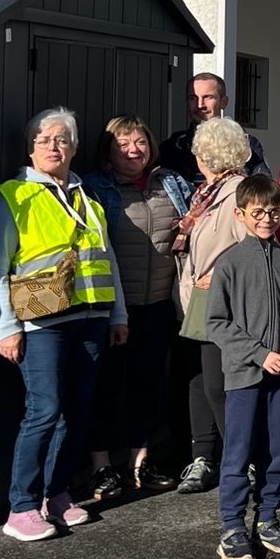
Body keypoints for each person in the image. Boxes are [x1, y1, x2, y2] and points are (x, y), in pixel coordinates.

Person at [0, 108, 127, 544]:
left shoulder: (88, 197)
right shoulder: (13, 195)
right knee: (44, 410)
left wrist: (118, 314)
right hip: (41, 323)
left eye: (62, 139)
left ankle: (56, 494)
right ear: (30, 148)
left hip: (91, 318)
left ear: (74, 148)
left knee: (76, 411)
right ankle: (21, 506)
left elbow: (108, 258)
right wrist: (5, 328)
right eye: (44, 139)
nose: (54, 147)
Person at [206, 174, 280, 559]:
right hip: (244, 376)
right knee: (238, 453)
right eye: (257, 212)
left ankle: (268, 519)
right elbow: (217, 322)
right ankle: (233, 527)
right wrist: (259, 354)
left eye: (274, 211)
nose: (267, 219)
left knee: (275, 451)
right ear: (240, 214)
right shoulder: (229, 264)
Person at [81, 115, 191, 499]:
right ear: (108, 151)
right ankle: (101, 467)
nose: (133, 150)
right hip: (114, 307)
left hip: (159, 303)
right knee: (106, 386)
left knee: (148, 384)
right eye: (123, 143)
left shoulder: (171, 182)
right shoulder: (95, 188)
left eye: (140, 142)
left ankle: (139, 462)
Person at [173, 117, 253, 496]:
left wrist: (220, 275)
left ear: (207, 154)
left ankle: (243, 461)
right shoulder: (205, 194)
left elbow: (252, 247)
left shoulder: (237, 192)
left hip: (223, 303)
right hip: (197, 302)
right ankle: (205, 457)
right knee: (201, 381)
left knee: (218, 387)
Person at [160, 72, 266, 183]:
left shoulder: (245, 144)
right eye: (193, 98)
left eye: (207, 97)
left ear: (224, 102)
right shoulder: (173, 147)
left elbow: (263, 188)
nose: (200, 105)